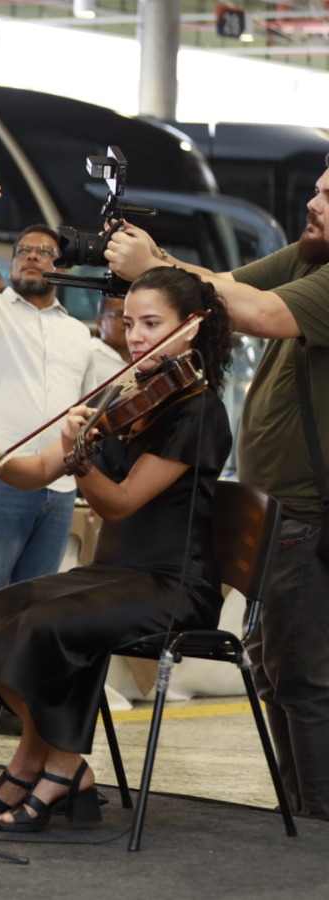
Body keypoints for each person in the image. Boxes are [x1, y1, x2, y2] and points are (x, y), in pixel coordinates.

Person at [0, 266, 233, 832]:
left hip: (172, 585)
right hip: (114, 576)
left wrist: (78, 457)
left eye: (152, 324)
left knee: (43, 626)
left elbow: (120, 503)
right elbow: (38, 471)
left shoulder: (198, 410)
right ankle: (61, 766)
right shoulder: (124, 395)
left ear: (191, 326)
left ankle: (41, 767)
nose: (136, 336)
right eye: (130, 322)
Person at [104, 157, 329, 819]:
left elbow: (255, 311)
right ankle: (299, 809)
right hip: (272, 508)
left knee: (303, 677)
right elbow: (222, 288)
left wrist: (152, 263)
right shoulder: (309, 256)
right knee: (274, 668)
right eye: (317, 189)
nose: (313, 203)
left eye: (328, 195)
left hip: (306, 512)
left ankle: (317, 819)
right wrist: (159, 264)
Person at [0, 170, 97, 742]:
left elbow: (92, 409)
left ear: (63, 267)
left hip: (59, 487)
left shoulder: (80, 335)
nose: (30, 257)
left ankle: (11, 700)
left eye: (44, 252)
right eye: (23, 251)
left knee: (32, 603)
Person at [89, 292, 133, 384]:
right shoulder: (88, 355)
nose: (126, 321)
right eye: (119, 315)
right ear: (100, 322)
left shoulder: (150, 356)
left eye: (131, 316)